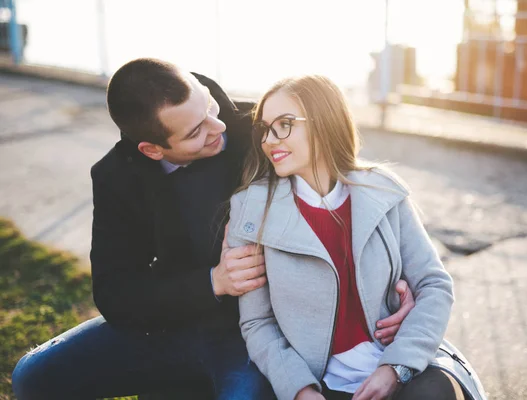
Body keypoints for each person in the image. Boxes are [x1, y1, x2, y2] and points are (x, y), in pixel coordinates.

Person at [11, 58, 413, 399]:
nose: (216, 128)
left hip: (255, 333)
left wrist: (395, 286)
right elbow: (116, 295)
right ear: (152, 150)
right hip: (169, 325)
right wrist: (213, 282)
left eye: (208, 108)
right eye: (194, 132)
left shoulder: (257, 127)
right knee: (32, 376)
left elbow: (344, 186)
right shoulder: (116, 177)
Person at [227, 75, 486, 400]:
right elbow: (257, 322)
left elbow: (434, 285)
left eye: (285, 124)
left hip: (403, 370)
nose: (269, 140)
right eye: (265, 128)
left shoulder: (384, 191)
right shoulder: (251, 209)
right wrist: (299, 390)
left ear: (324, 121)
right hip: (320, 385)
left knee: (437, 392)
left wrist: (395, 368)